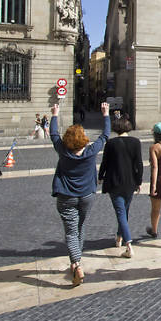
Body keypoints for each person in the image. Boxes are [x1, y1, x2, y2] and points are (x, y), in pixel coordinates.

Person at [50, 102, 110, 286]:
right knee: (81, 226)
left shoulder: (63, 151)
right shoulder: (91, 151)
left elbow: (53, 135)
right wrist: (105, 114)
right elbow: (105, 135)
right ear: (83, 137)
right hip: (87, 195)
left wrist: (55, 114)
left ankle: (76, 264)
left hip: (66, 196)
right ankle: (77, 259)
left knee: (70, 231)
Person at [98, 116, 143, 259]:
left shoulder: (110, 143)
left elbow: (104, 162)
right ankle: (119, 237)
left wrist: (100, 176)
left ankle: (129, 245)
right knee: (124, 211)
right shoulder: (136, 142)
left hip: (114, 182)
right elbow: (139, 164)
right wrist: (139, 181)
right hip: (130, 182)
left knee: (120, 212)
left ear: (116, 128)